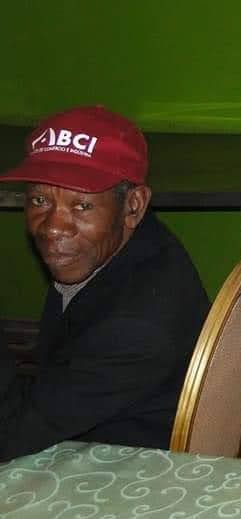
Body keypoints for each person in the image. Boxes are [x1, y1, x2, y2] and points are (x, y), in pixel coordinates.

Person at [0, 105, 209, 461]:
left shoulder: (135, 327)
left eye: (81, 206)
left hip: (120, 467)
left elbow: (7, 436)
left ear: (134, 206)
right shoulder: (132, 243)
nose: (52, 227)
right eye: (39, 200)